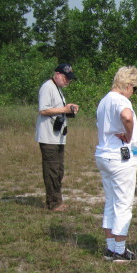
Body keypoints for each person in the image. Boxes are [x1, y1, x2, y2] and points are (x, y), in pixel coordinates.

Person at [95, 66, 137, 262]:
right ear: (128, 85)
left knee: (111, 202)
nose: (134, 93)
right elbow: (126, 116)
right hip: (120, 158)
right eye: (135, 89)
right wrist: (129, 135)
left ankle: (110, 248)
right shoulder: (121, 100)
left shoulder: (104, 100)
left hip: (104, 155)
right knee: (124, 204)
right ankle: (120, 250)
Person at [35, 64, 79, 211]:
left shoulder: (57, 89)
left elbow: (58, 109)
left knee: (59, 170)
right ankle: (52, 204)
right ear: (58, 74)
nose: (68, 81)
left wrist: (69, 108)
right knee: (52, 170)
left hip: (57, 136)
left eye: (69, 80)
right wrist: (64, 109)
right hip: (48, 136)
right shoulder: (47, 87)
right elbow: (43, 110)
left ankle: (57, 201)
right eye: (66, 78)